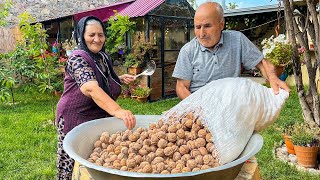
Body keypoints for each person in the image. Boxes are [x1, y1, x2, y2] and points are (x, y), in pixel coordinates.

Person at [55, 16, 136, 179]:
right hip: (74, 117)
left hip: (95, 116)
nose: (97, 39)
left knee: (95, 158)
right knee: (72, 162)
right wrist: (118, 111)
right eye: (91, 35)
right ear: (81, 36)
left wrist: (118, 79)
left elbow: (99, 78)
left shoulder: (102, 57)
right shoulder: (77, 59)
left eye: (101, 35)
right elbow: (90, 88)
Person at [172, 2, 290, 99]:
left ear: (221, 25)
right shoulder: (187, 51)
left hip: (232, 104)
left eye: (207, 26)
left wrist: (273, 78)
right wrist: (197, 108)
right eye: (198, 27)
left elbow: (261, 63)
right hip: (200, 106)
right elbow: (181, 87)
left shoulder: (237, 40)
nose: (201, 33)